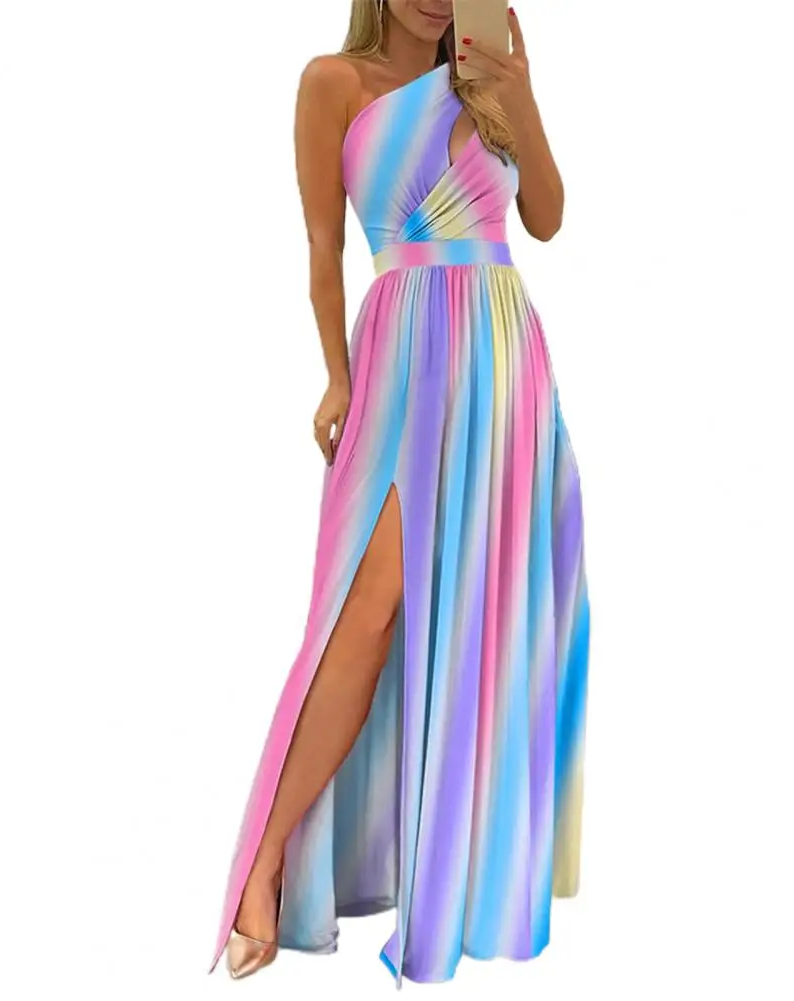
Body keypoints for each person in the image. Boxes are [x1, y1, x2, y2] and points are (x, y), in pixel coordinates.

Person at [209, 0, 590, 985]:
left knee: (479, 614)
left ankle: (448, 882)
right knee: (367, 609)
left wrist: (516, 96)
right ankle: (264, 863)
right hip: (402, 351)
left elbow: (545, 217)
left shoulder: (491, 73)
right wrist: (335, 378)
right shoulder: (331, 83)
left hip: (502, 360)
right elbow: (320, 250)